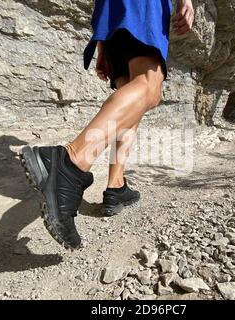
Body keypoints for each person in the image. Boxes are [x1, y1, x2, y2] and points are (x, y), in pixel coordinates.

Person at [20, 0, 194, 249]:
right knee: (149, 86)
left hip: (113, 10)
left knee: (130, 99)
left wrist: (103, 45)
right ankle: (70, 162)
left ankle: (116, 185)